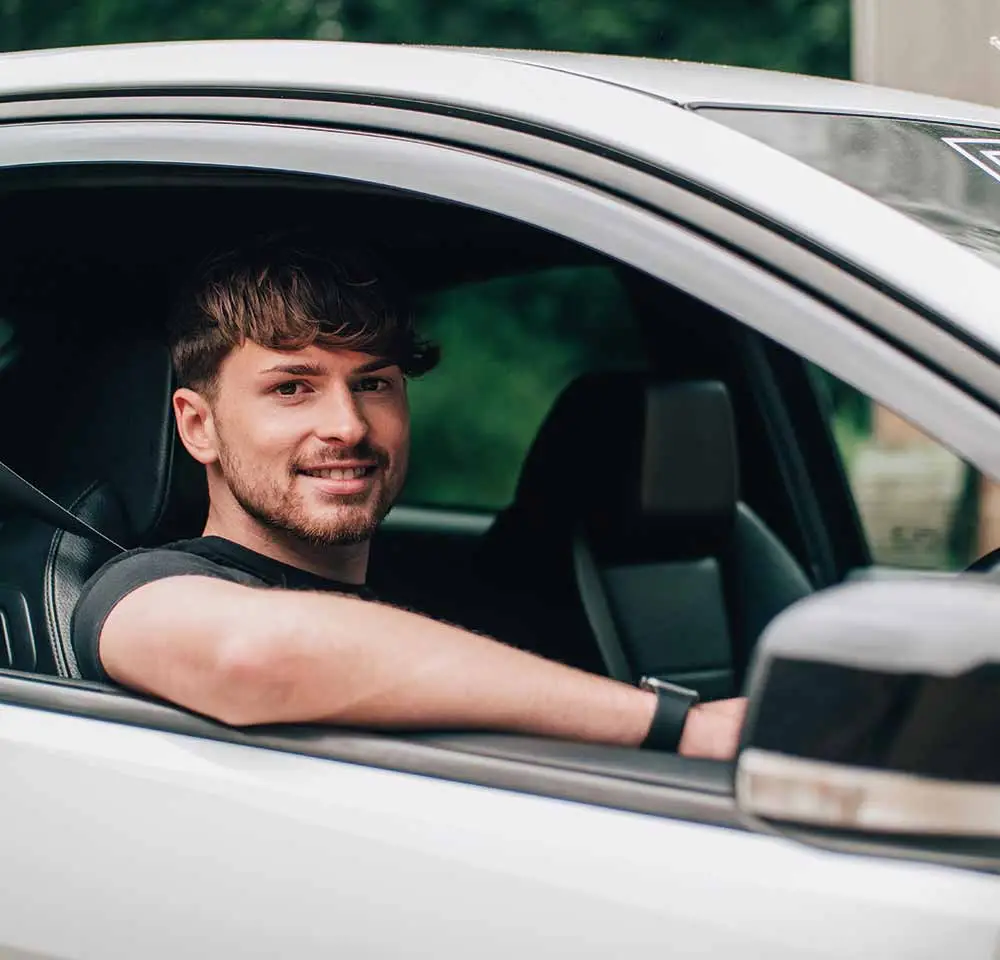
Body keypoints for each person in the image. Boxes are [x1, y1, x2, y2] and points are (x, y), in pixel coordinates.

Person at [71, 238, 746, 758]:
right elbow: (254, 658)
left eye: (373, 384)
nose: (348, 425)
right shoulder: (141, 586)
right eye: (291, 388)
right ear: (199, 426)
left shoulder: (466, 596)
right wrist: (679, 729)